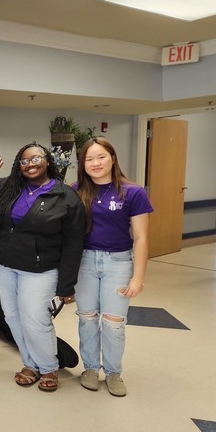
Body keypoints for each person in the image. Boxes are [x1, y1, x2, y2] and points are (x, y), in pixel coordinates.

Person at [0, 142, 85, 392]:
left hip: (40, 270)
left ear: (48, 161)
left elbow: (74, 244)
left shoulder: (65, 196)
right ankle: (30, 364)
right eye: (24, 161)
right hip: (5, 265)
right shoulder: (9, 187)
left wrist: (67, 285)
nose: (30, 164)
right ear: (18, 166)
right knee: (12, 317)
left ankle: (48, 367)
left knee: (35, 319)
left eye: (35, 159)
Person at [72, 137, 152, 397]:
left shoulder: (133, 192)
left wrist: (138, 277)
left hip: (118, 263)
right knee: (87, 318)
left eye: (101, 157)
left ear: (113, 158)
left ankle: (114, 372)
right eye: (89, 159)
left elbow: (141, 238)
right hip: (84, 261)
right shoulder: (75, 191)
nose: (95, 163)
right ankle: (90, 368)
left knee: (114, 323)